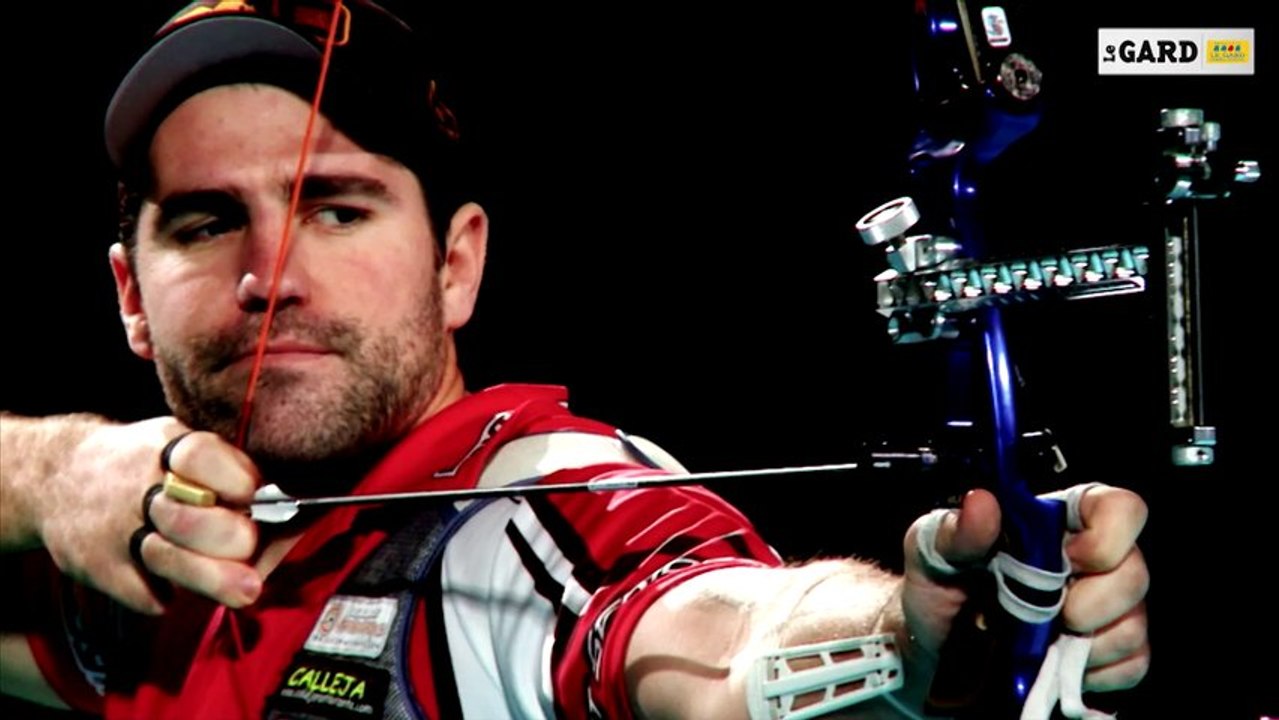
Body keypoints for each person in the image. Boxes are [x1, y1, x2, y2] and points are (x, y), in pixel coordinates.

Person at [0, 2, 1149, 718]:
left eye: (337, 211)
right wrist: (52, 475)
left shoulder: (543, 501)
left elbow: (715, 622)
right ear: (127, 296)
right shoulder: (147, 563)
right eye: (204, 224)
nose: (269, 274)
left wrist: (903, 645)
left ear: (456, 266)